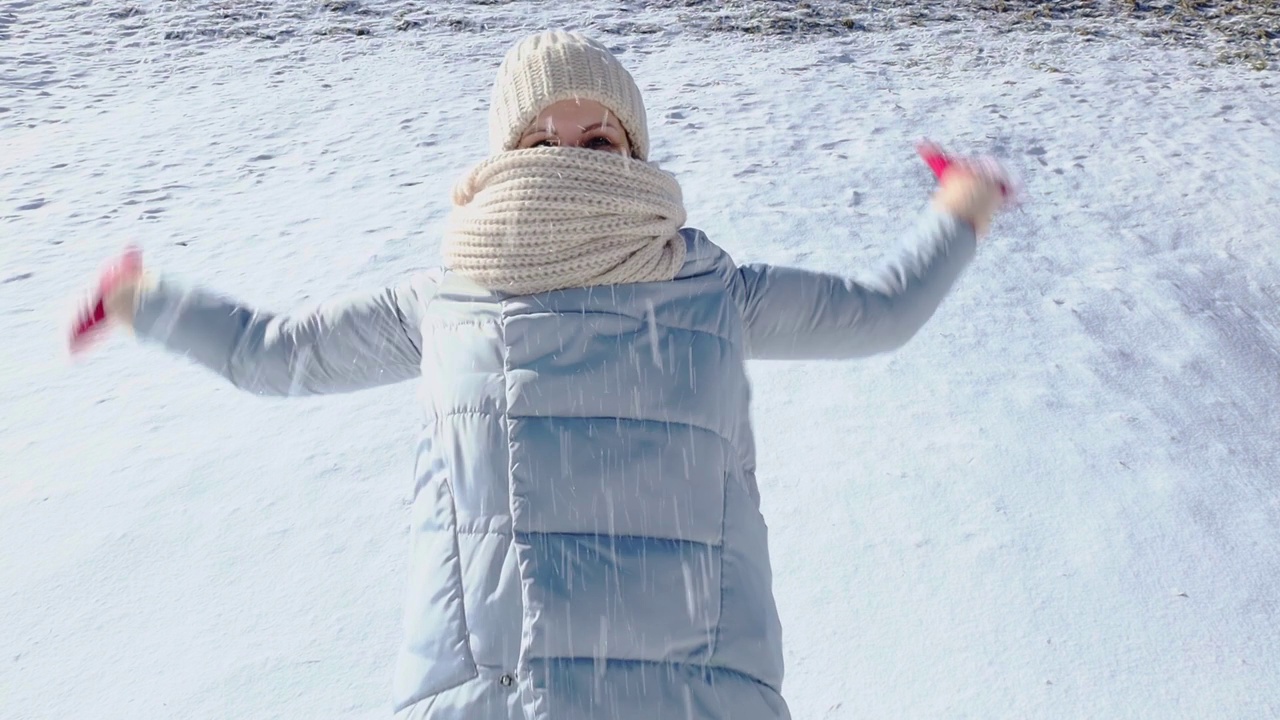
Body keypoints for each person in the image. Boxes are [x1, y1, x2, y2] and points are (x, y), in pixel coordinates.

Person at [71, 30, 1008, 720]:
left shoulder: (711, 290)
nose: (570, 158)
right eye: (540, 139)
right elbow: (274, 356)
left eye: (599, 140)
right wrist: (146, 299)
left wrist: (958, 213)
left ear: (634, 154)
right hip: (490, 699)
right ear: (501, 159)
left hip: (695, 696)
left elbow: (877, 314)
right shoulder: (448, 300)